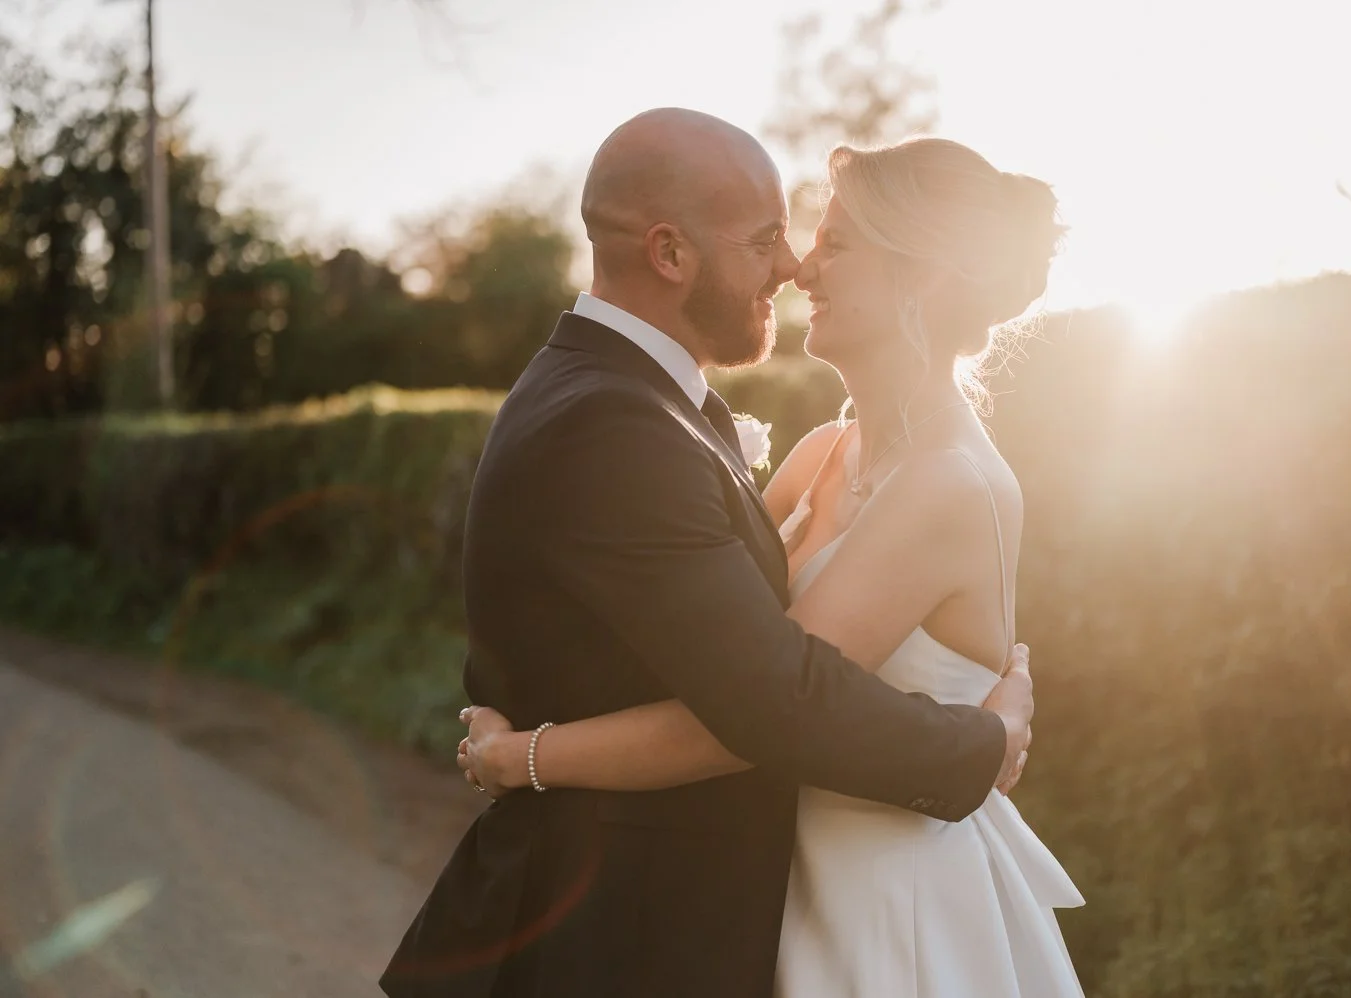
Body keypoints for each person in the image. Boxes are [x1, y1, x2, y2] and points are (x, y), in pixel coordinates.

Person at [379, 110, 1034, 998]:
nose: (797, 264)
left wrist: (526, 754)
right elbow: (769, 693)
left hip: (874, 905)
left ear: (916, 279)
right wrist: (978, 744)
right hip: (631, 927)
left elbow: (763, 694)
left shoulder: (937, 481)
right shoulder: (661, 428)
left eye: (826, 242)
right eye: (774, 238)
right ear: (670, 254)